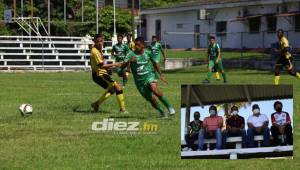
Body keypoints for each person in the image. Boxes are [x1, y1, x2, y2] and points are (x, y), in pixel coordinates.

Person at [121, 37, 175, 118]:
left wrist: (161, 75)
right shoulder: (130, 54)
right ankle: (162, 112)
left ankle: (170, 107)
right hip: (139, 82)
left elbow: (155, 64)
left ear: (143, 45)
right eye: (135, 45)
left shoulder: (148, 53)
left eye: (138, 45)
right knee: (152, 100)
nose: (136, 46)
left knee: (155, 90)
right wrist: (129, 61)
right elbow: (122, 66)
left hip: (149, 76)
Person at [90, 34, 127, 114]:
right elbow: (101, 65)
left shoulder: (99, 49)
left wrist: (108, 68)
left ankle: (96, 104)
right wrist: (115, 64)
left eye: (101, 41)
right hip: (99, 74)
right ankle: (123, 110)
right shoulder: (95, 51)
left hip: (101, 73)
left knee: (113, 89)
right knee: (118, 88)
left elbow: (102, 62)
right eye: (97, 42)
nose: (100, 43)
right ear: (95, 42)